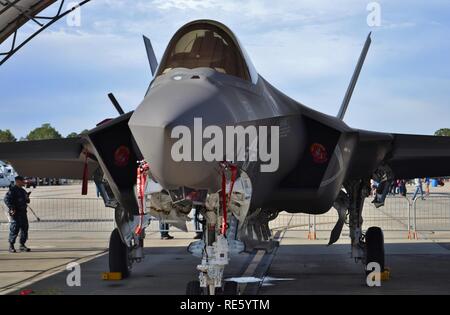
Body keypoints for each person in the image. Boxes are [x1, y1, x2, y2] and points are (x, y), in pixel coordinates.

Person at [4, 176, 31, 253]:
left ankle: (22, 245)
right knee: (14, 229)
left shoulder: (22, 191)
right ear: (18, 181)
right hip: (16, 213)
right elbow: (6, 199)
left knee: (24, 229)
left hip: (23, 213)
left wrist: (27, 197)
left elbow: (27, 201)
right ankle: (11, 246)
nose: (24, 182)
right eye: (22, 181)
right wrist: (12, 208)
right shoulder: (13, 190)